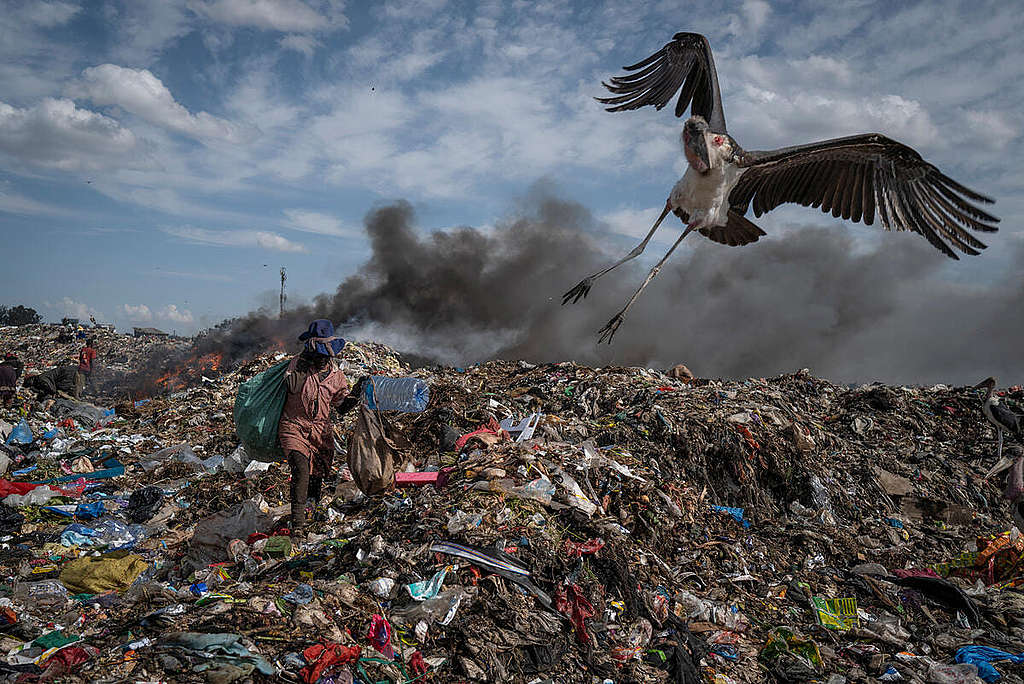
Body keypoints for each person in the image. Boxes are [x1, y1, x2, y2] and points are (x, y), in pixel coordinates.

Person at [277, 319, 353, 536]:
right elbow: (292, 387)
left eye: (325, 355)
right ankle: (298, 525)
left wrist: (356, 394)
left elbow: (342, 407)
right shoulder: (297, 365)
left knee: (317, 475)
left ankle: (312, 510)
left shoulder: (336, 376)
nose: (322, 360)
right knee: (300, 469)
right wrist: (303, 362)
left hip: (320, 431)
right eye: (318, 355)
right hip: (294, 425)